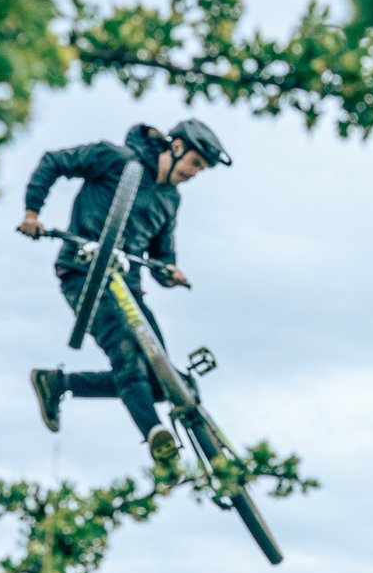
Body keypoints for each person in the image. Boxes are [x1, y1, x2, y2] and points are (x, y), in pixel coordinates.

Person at [18, 118, 232, 465]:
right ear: (176, 147)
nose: (194, 173)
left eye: (201, 170)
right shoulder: (115, 159)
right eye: (195, 164)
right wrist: (32, 213)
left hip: (128, 287)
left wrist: (170, 273)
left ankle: (59, 383)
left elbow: (162, 255)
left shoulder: (170, 200)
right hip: (82, 273)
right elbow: (53, 162)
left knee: (165, 379)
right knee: (127, 355)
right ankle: (155, 436)